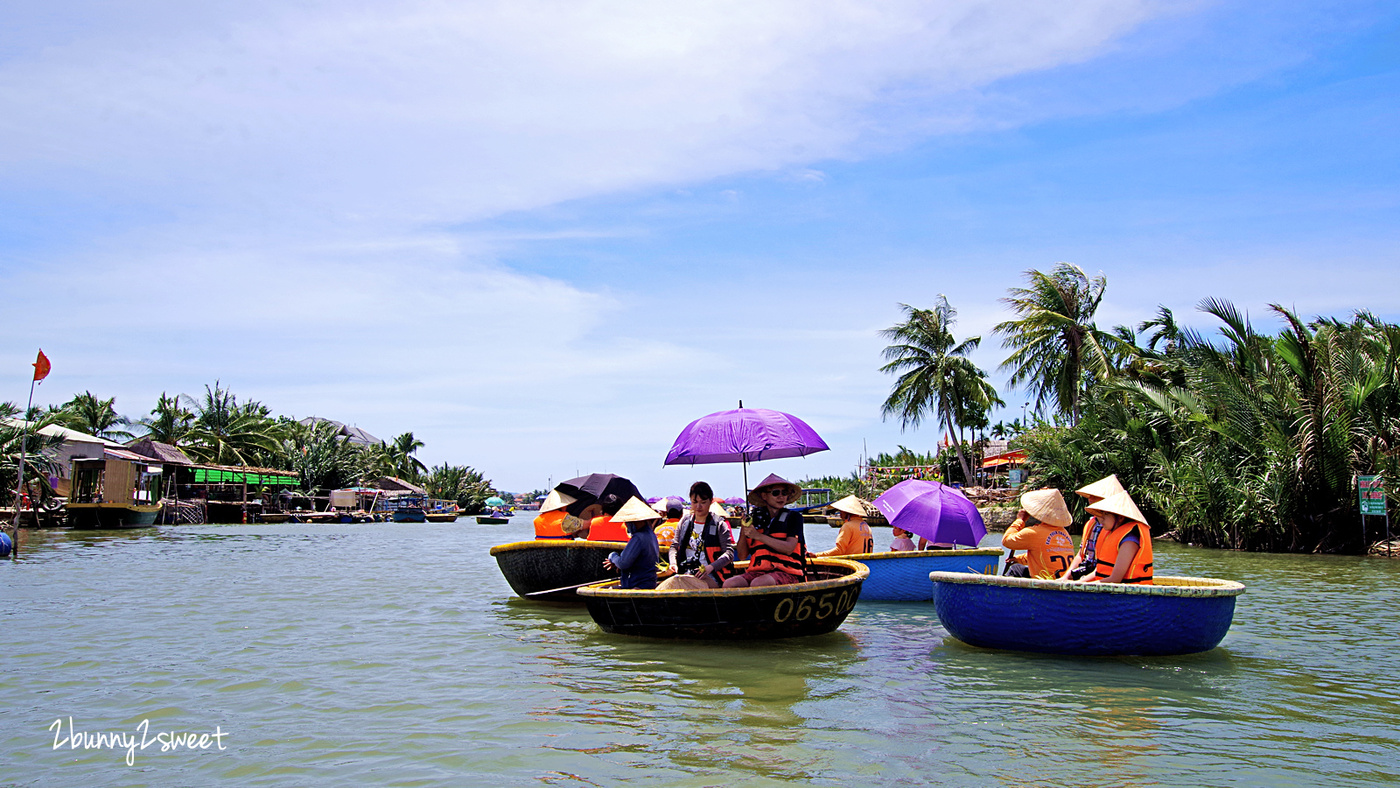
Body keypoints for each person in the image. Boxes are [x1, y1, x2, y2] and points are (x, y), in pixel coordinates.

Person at [724, 474, 807, 588]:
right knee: (730, 583)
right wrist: (744, 529)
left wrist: (758, 536)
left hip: (788, 573)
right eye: (776, 493)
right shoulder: (755, 519)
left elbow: (789, 548)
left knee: (759, 583)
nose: (781, 497)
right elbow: (742, 555)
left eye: (784, 493)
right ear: (764, 496)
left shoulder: (794, 517)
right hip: (758, 571)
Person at [662, 481, 735, 589]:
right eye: (695, 502)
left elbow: (729, 553)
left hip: (711, 575)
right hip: (685, 573)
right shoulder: (684, 522)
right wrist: (673, 564)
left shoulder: (719, 524)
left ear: (710, 501)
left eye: (703, 502)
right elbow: (674, 547)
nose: (698, 506)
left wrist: (710, 567)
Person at [1075, 490, 1153, 584]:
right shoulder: (1109, 534)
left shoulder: (1129, 541)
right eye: (1101, 513)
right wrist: (1080, 582)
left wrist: (1084, 586)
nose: (1101, 519)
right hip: (1106, 588)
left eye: (1106, 514)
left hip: (1128, 594)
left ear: (1120, 518)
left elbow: (1115, 579)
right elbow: (1099, 571)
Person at [1001, 488, 1076, 580]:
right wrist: (1019, 559)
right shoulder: (1064, 533)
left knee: (1015, 569)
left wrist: (1020, 520)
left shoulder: (1033, 533)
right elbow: (1045, 555)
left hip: (1047, 581)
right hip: (1062, 579)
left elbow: (1006, 541)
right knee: (1020, 568)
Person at [1062, 474, 1126, 580]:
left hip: (1103, 576)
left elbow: (1108, 566)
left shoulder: (1116, 527)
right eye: (1089, 496)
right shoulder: (1091, 523)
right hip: (1089, 573)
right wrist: (1065, 577)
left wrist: (1083, 582)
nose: (1090, 499)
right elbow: (1080, 555)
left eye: (1095, 496)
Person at [602, 497, 662, 589]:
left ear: (634, 521)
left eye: (628, 522)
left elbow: (623, 563)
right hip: (648, 584)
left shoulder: (638, 538)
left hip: (638, 585)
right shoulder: (651, 535)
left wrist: (612, 556)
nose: (626, 524)